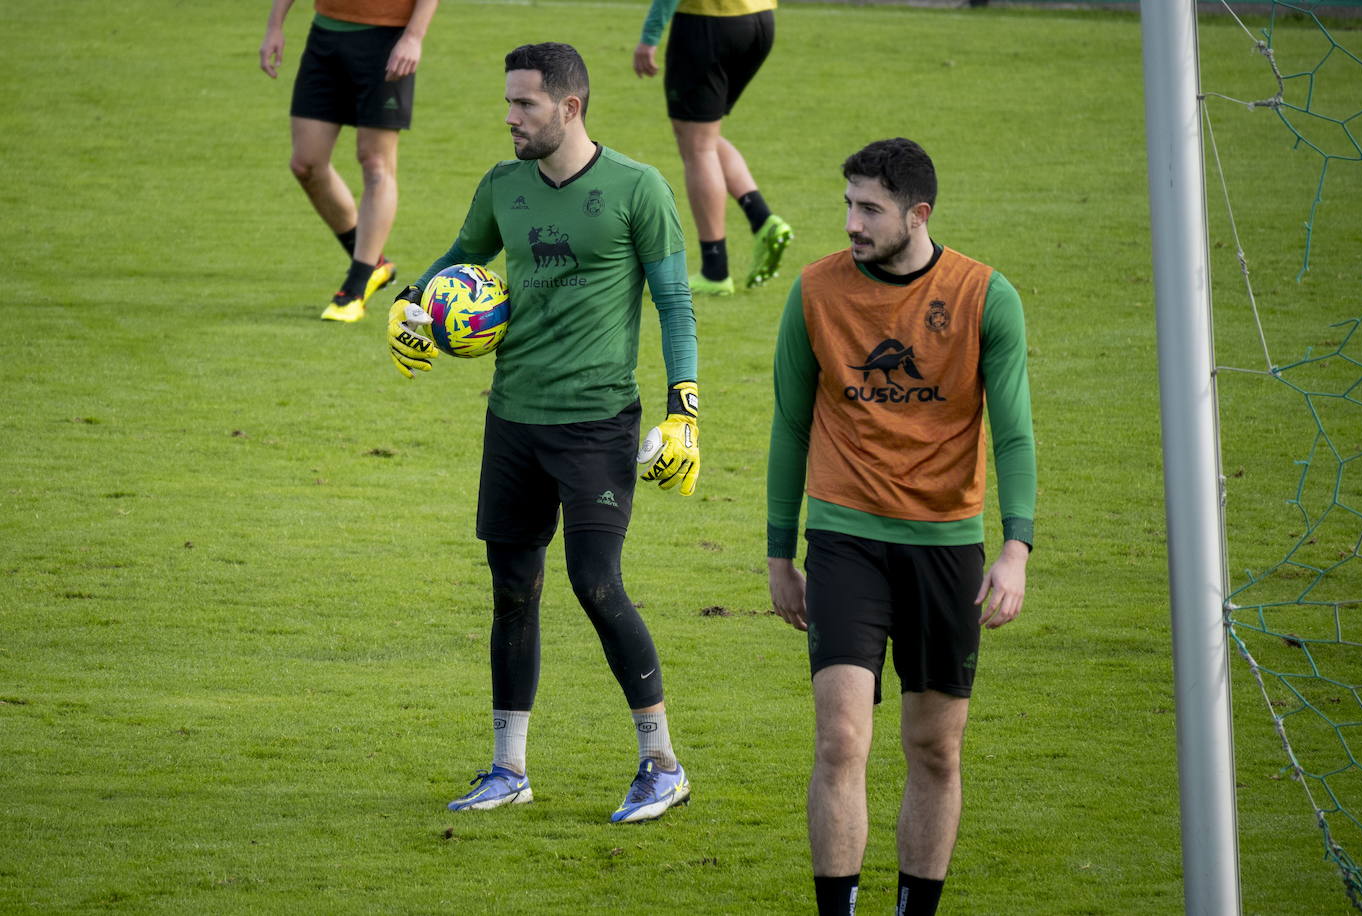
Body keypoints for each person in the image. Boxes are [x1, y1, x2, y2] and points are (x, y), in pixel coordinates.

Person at [387, 42, 699, 824]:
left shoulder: (638, 189)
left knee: (596, 584)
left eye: (524, 104)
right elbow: (463, 258)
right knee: (511, 591)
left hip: (597, 422)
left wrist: (682, 413)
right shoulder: (504, 186)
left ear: (570, 108)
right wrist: (410, 303)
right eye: (509, 102)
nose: (510, 117)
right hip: (513, 418)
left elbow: (675, 305)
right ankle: (508, 768)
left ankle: (662, 763)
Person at [766, 138, 1036, 916]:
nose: (851, 222)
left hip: (947, 546)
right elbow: (789, 427)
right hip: (847, 540)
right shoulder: (815, 292)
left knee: (935, 749)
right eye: (847, 204)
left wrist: (1015, 547)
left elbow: (1013, 432)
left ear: (918, 214)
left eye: (869, 209)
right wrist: (781, 553)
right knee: (841, 740)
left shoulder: (987, 296)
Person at [259, 0, 440, 322]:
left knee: (375, 163)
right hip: (325, 35)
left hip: (388, 39)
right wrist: (275, 25)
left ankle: (355, 287)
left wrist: (414, 36)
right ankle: (376, 264)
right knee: (306, 164)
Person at [632, 0, 792, 297]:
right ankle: (762, 219)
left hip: (708, 22)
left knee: (697, 145)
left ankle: (715, 271)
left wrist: (649, 38)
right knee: (702, 134)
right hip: (760, 20)